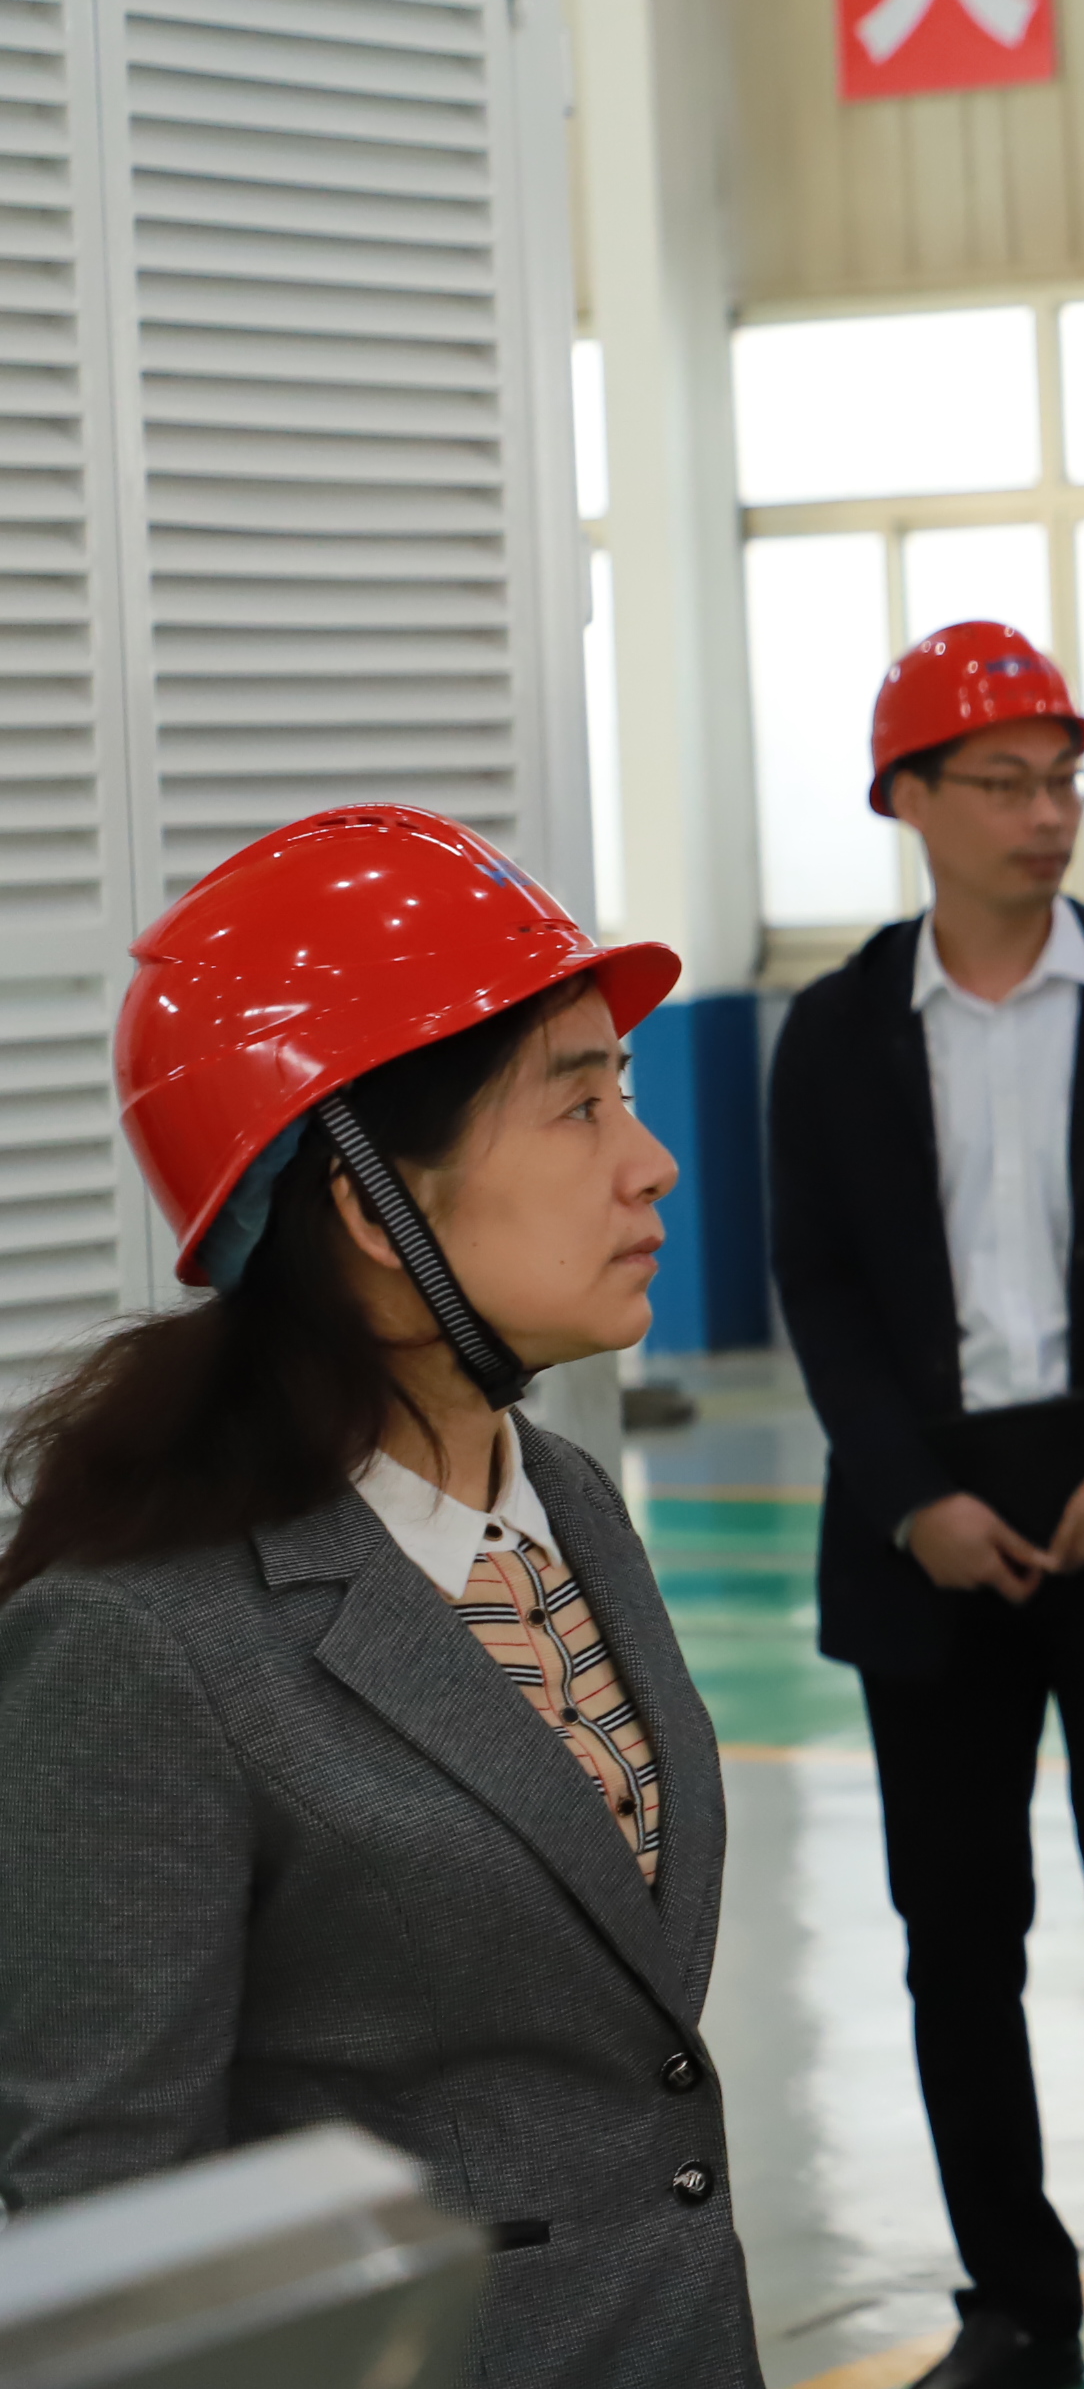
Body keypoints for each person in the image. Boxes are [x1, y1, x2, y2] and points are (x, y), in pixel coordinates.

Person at [0, 805, 756, 2388]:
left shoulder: (568, 1503)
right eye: (578, 1106)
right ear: (366, 1202)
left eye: (625, 1092)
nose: (652, 1162)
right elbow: (107, 2221)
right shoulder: (142, 1640)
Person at [768, 623, 1084, 2389]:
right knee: (958, 1940)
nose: (1048, 813)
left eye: (1065, 780)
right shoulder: (835, 1031)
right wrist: (910, 1497)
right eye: (1005, 781)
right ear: (906, 799)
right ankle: (1018, 2304)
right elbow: (821, 1286)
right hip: (931, 1530)